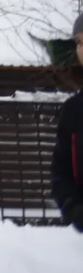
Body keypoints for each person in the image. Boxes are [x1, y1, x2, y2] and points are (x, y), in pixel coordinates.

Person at [51, 26, 83, 232]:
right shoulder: (74, 109)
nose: (81, 49)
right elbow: (61, 168)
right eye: (79, 43)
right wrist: (73, 207)